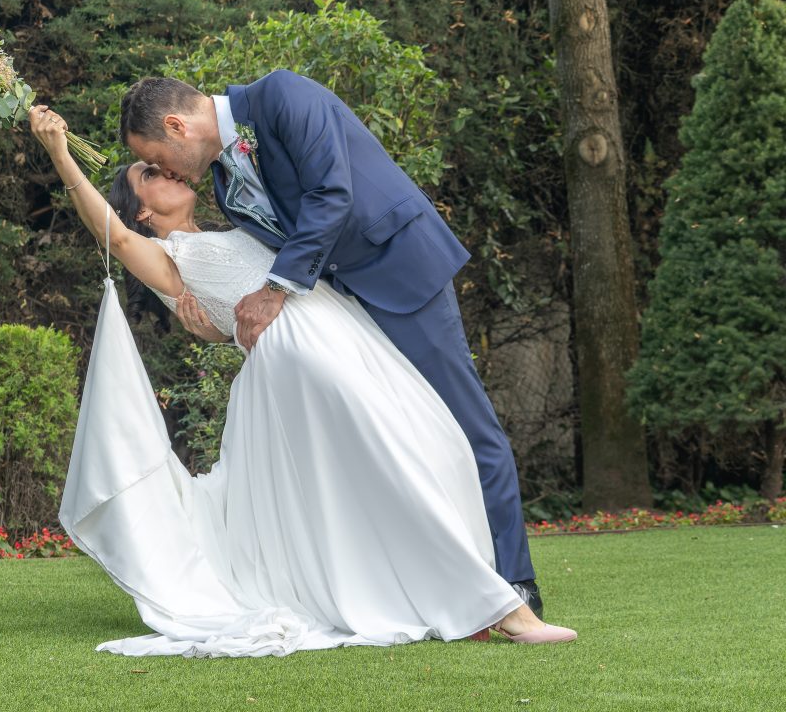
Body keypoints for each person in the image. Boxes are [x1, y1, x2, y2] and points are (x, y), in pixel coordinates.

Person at [31, 105, 576, 657]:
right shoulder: (166, 257)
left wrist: (219, 329)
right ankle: (505, 610)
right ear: (142, 213)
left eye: (159, 164)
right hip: (299, 355)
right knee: (390, 455)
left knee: (436, 442)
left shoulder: (233, 224)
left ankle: (442, 597)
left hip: (344, 332)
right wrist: (60, 155)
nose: (167, 171)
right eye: (149, 173)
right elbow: (117, 240)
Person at [118, 71, 543, 617]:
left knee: (466, 423)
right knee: (403, 433)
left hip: (400, 272)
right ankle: (441, 580)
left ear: (177, 126)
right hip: (340, 310)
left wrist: (274, 292)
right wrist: (218, 321)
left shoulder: (283, 96)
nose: (170, 172)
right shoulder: (225, 184)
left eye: (158, 158)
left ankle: (515, 581)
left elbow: (331, 195)